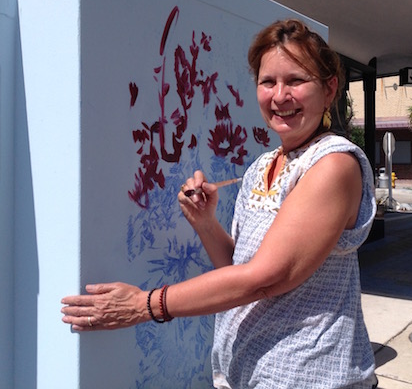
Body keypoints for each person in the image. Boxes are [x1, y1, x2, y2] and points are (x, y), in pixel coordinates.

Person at [61, 19, 378, 388]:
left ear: (329, 89)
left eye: (295, 81)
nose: (279, 96)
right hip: (247, 376)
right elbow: (238, 266)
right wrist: (205, 223)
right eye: (267, 82)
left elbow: (265, 279)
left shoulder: (334, 165)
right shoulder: (263, 165)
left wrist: (143, 305)